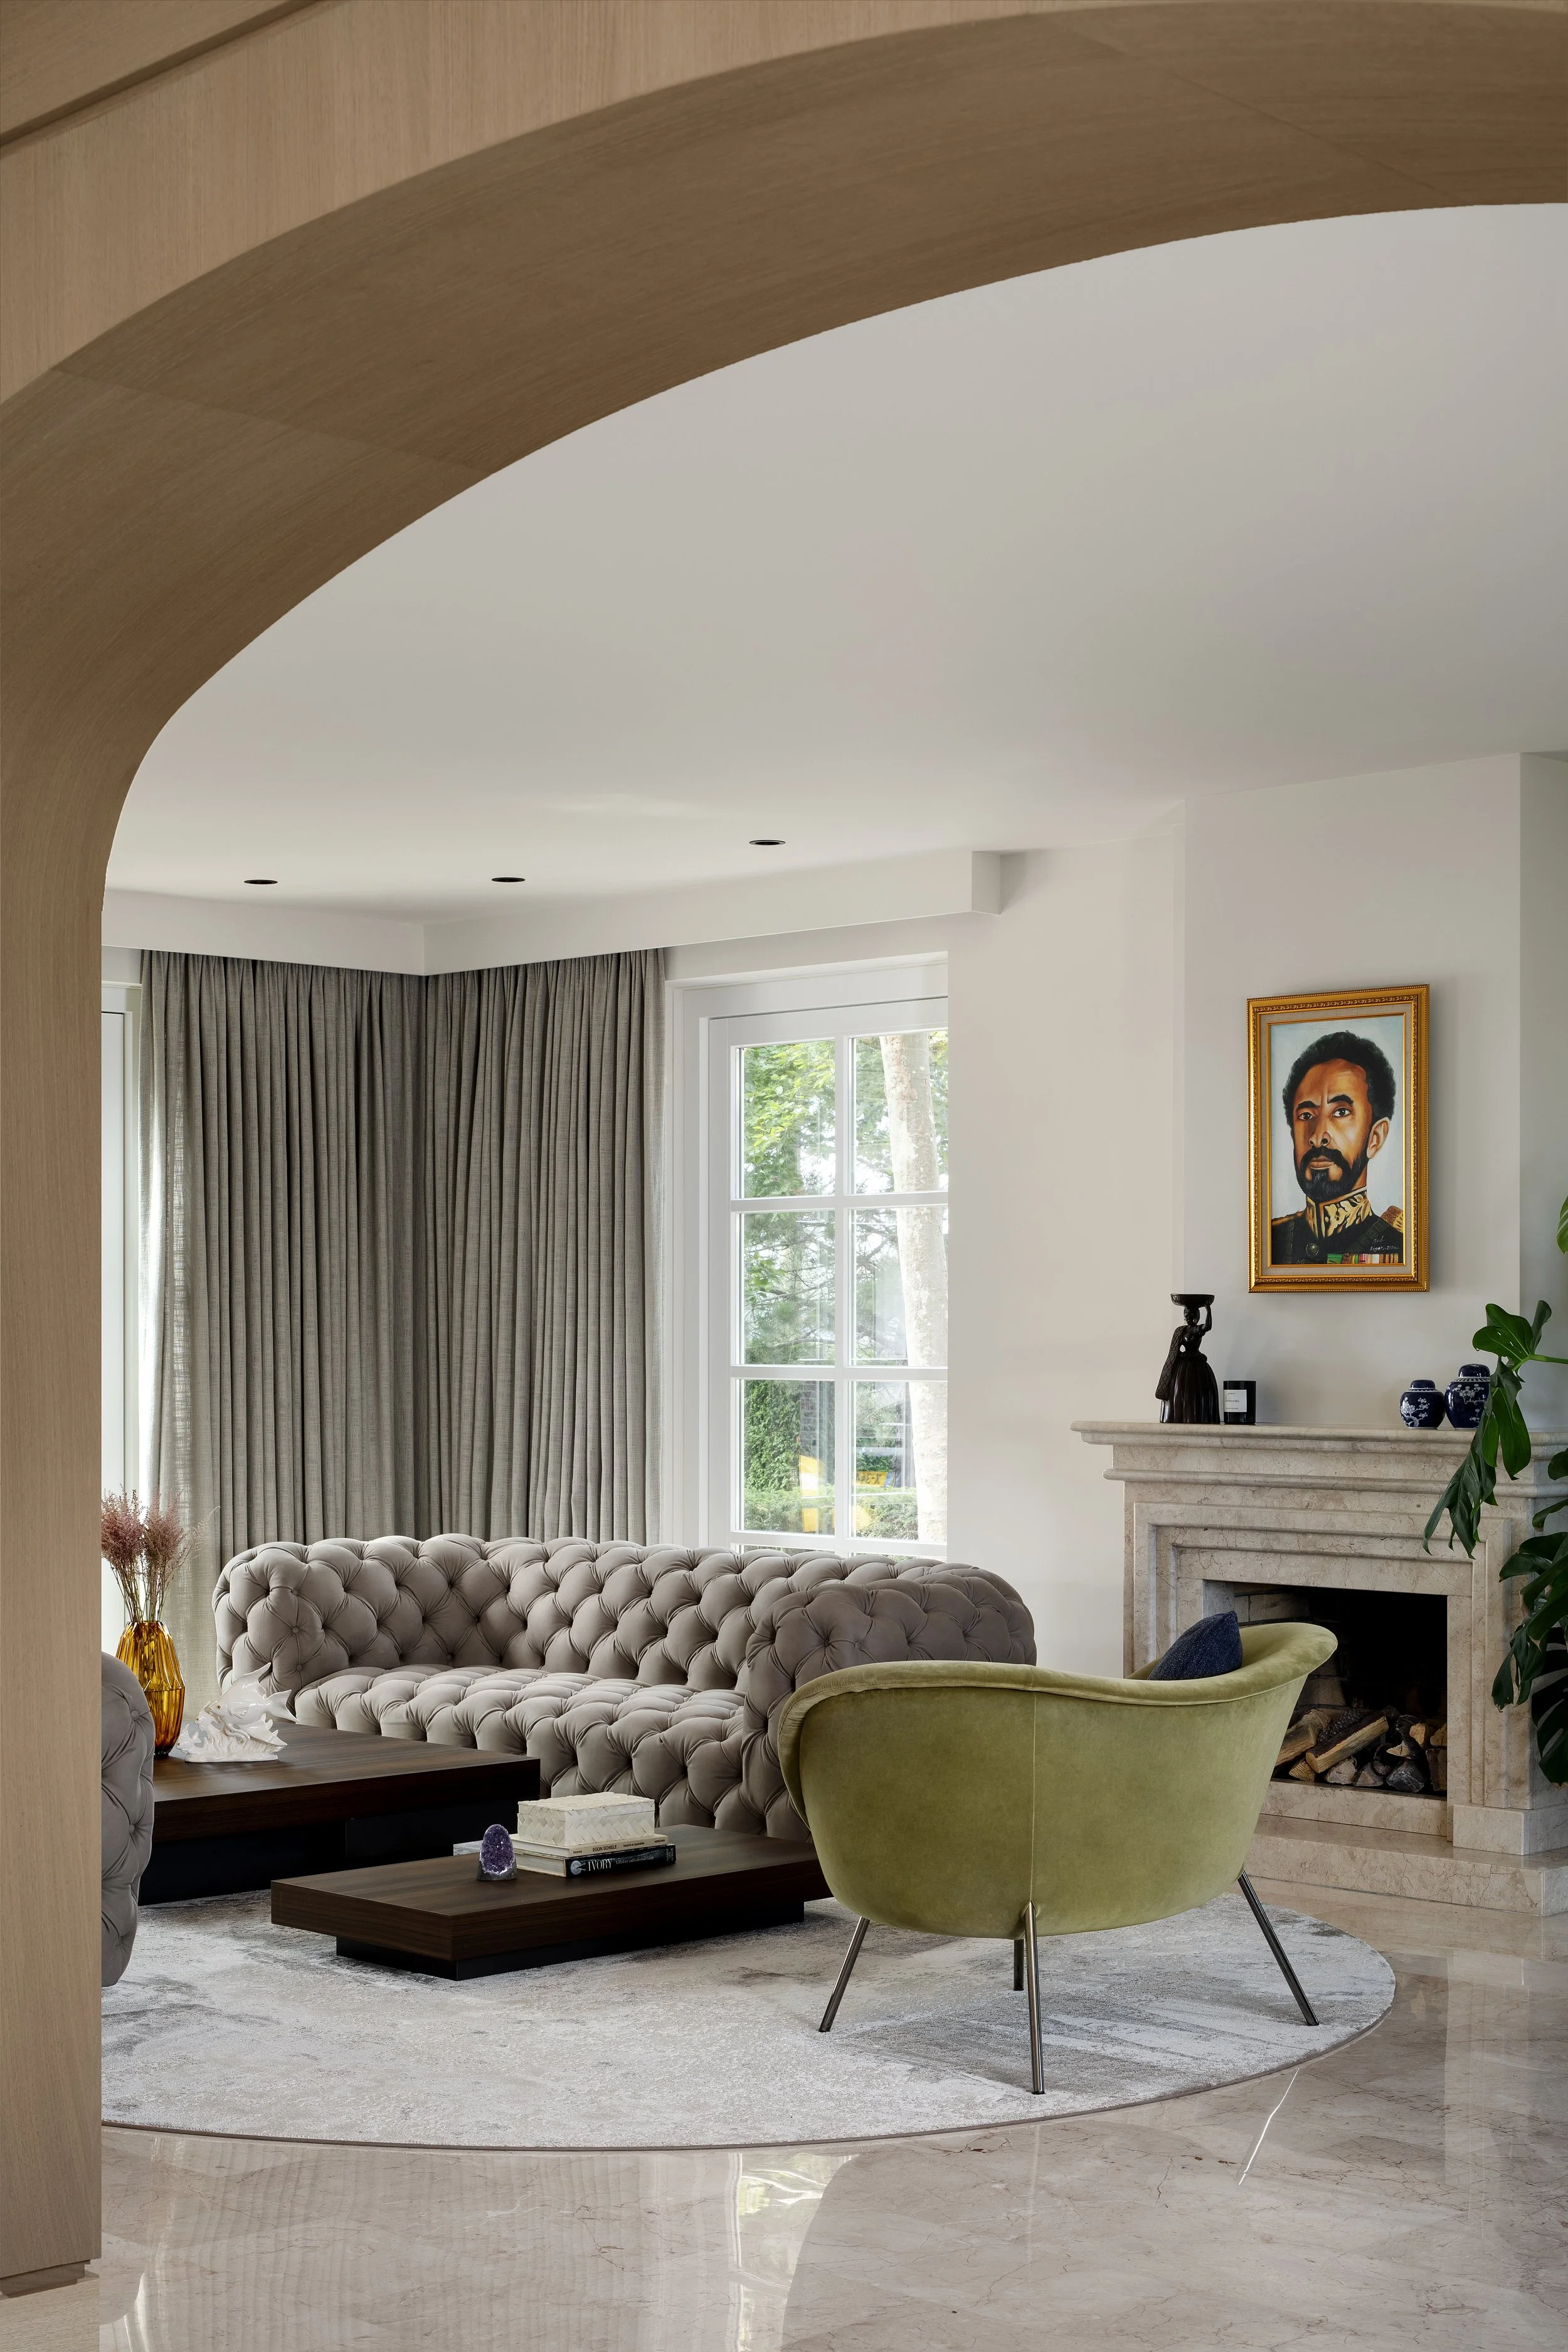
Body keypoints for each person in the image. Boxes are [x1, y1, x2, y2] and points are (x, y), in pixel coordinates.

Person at [1271, 1029, 1404, 1266]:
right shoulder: (1270, 1242)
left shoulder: (1402, 1246)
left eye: (1341, 1112)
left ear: (1375, 1138)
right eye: (1306, 1114)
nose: (1318, 1135)